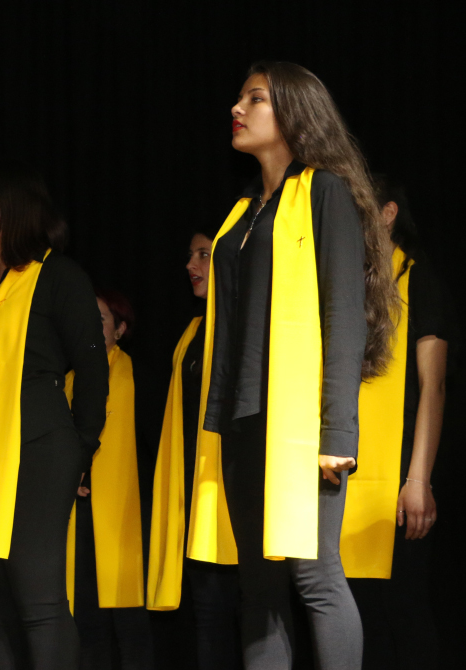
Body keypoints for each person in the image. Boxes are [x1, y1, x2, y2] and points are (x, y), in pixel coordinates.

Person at [190, 62, 397, 670]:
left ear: (294, 112)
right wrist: (218, 425)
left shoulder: (324, 191)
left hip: (299, 425)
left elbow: (344, 312)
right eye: (239, 96)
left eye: (255, 98)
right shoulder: (242, 216)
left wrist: (337, 432)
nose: (238, 106)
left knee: (314, 575)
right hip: (243, 419)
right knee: (257, 587)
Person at [0, 161, 109, 670]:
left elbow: (93, 371)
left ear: (18, 203)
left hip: (40, 453)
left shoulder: (57, 275)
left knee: (37, 601)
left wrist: (82, 448)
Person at [341, 177, 453, 670]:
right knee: (357, 619)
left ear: (387, 213)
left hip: (401, 484)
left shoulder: (418, 277)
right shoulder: (349, 285)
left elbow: (434, 386)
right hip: (345, 481)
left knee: (402, 612)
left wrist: (418, 480)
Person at [145, 231, 241, 670]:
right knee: (207, 612)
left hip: (235, 495)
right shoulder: (193, 331)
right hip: (197, 491)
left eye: (203, 255)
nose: (191, 265)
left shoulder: (240, 323)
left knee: (247, 613)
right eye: (190, 256)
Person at [71, 288, 153, 670]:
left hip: (124, 512)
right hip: (78, 511)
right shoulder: (66, 376)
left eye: (100, 317)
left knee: (129, 620)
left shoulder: (136, 373)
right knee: (86, 620)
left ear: (119, 330)